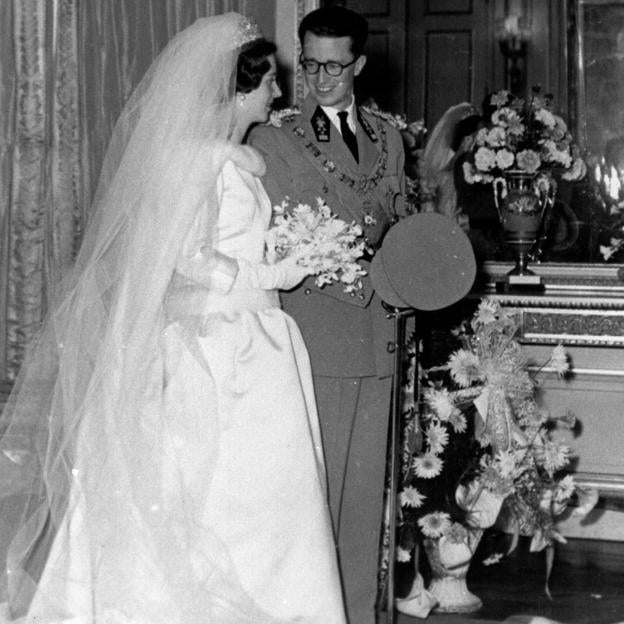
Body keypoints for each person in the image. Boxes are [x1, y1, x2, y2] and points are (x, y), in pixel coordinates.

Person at [0, 13, 346, 624]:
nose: (278, 92)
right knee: (218, 494)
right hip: (221, 344)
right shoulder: (199, 161)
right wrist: (268, 276)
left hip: (257, 337)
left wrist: (287, 254)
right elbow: (186, 257)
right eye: (269, 81)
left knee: (267, 500)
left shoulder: (236, 157)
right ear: (244, 87)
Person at [249, 7, 406, 623]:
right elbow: (287, 243)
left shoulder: (389, 137)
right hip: (318, 338)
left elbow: (395, 226)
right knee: (313, 509)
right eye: (309, 63)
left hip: (381, 342)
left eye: (333, 67)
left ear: (359, 65)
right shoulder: (274, 138)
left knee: (366, 506)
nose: (318, 78)